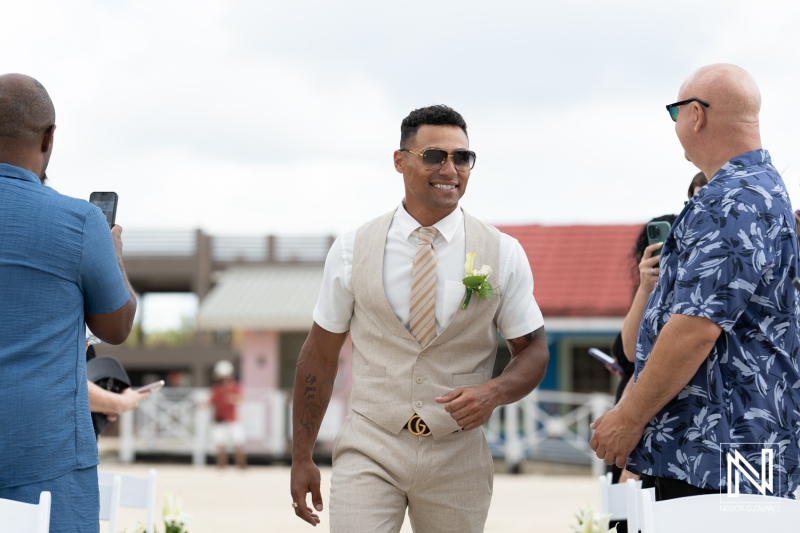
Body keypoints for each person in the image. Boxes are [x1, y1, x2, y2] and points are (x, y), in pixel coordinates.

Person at [290, 104, 549, 531]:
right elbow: (319, 354)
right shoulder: (352, 249)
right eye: (434, 156)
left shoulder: (503, 253)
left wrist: (494, 393)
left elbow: (534, 349)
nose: (450, 168)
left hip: (458, 454)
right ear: (400, 161)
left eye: (462, 157)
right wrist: (301, 456)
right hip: (370, 446)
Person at [590, 64, 800, 500]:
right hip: (738, 443)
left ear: (696, 116)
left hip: (717, 452)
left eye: (675, 112)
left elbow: (695, 329)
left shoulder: (732, 198)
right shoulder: (758, 188)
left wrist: (628, 416)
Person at [0, 73, 137, 531]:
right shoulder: (78, 222)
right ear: (48, 138)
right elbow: (115, 327)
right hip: (48, 462)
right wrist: (113, 256)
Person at [209, 360, 247, 468]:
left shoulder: (235, 387)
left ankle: (241, 467)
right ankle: (222, 467)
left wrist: (232, 398)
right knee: (220, 445)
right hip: (220, 420)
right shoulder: (217, 389)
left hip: (232, 419)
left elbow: (240, 399)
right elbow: (211, 402)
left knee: (238, 444)